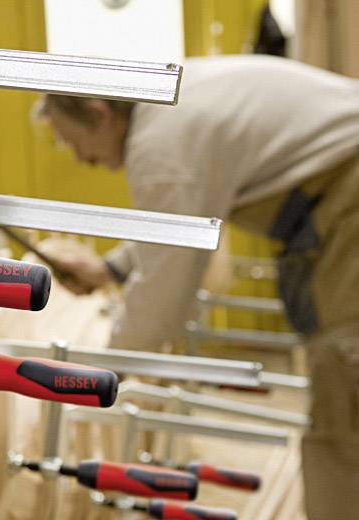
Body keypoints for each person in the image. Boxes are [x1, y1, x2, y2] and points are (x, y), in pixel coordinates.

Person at [34, 54, 359, 519]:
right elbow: (184, 219)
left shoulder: (158, 143)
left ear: (101, 114)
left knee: (345, 408)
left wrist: (96, 372)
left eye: (73, 141)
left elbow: (164, 302)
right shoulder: (177, 100)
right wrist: (111, 269)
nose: (80, 159)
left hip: (349, 199)